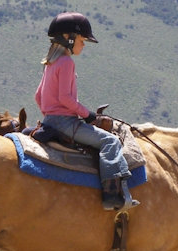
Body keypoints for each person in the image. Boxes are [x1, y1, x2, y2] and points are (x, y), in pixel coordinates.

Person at [34, 12, 139, 211]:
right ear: (69, 38)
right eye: (82, 40)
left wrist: (49, 115)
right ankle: (110, 196)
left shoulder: (50, 63)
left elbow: (38, 96)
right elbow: (66, 98)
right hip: (66, 122)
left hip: (49, 121)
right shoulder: (66, 62)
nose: (83, 45)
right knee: (111, 141)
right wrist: (87, 114)